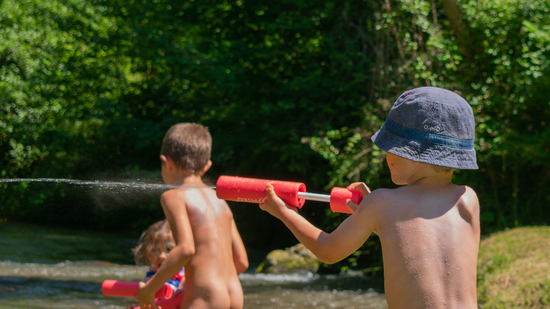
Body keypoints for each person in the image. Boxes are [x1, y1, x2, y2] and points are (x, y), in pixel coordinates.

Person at [260, 87, 480, 309]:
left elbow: (327, 250)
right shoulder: (468, 199)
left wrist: (285, 213)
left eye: (389, 147)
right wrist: (374, 218)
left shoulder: (381, 202)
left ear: (413, 155)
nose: (386, 156)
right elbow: (421, 238)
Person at [137, 123, 249, 309]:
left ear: (167, 162)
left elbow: (185, 249)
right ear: (206, 166)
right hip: (235, 293)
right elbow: (242, 262)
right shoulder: (220, 200)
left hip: (205, 297)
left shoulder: (173, 196)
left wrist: (149, 289)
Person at [128, 220, 185, 309]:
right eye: (155, 250)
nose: (162, 256)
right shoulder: (150, 278)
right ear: (148, 254)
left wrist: (183, 288)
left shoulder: (185, 277)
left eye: (169, 249)